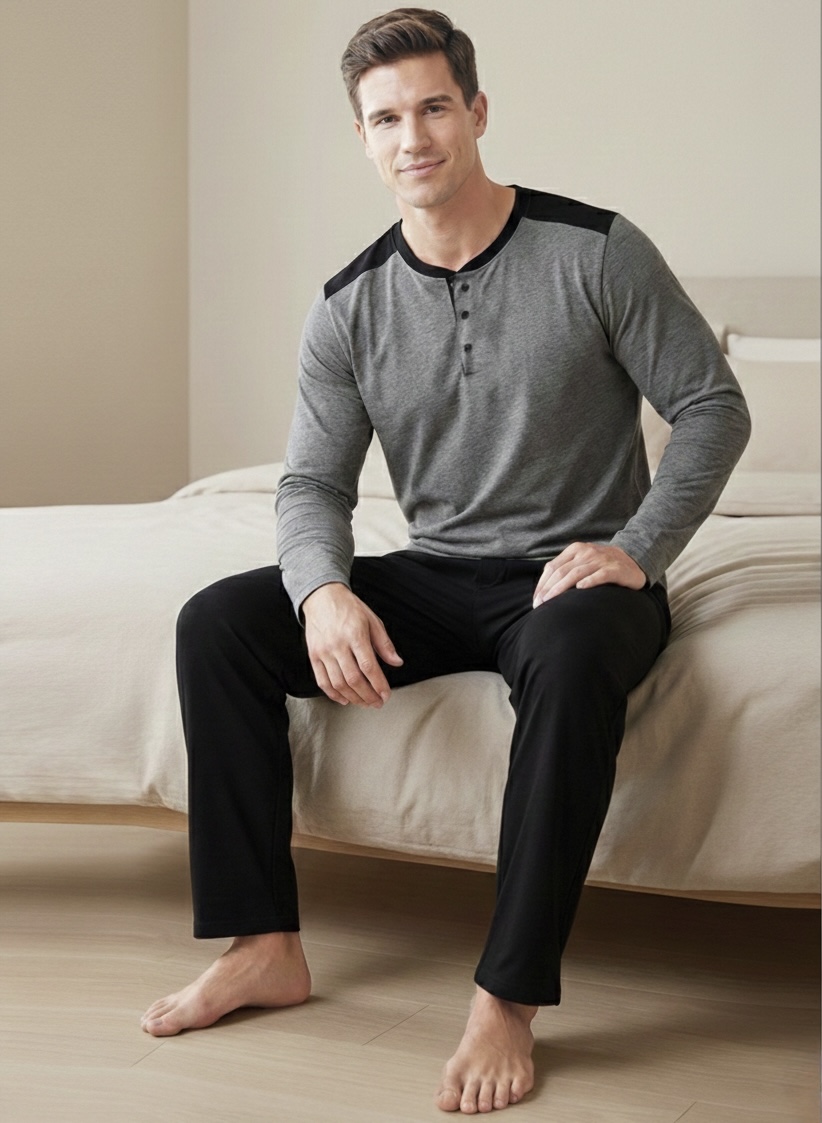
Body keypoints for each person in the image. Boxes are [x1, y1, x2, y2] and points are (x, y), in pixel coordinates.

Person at [141, 8, 751, 1114]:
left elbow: (712, 406)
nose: (412, 136)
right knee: (217, 623)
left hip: (576, 578)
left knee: (570, 654)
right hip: (436, 572)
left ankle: (507, 996)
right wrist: (323, 589)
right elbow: (313, 484)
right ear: (362, 138)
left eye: (432, 108)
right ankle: (263, 945)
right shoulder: (348, 306)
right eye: (385, 118)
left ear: (476, 112)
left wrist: (637, 548)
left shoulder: (595, 249)